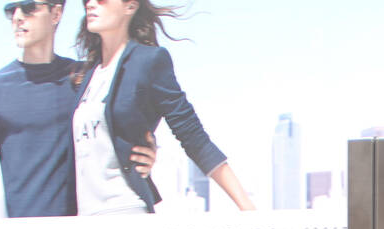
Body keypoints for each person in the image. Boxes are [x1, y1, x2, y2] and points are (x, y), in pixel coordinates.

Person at [0, 1, 156, 219]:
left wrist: (147, 146)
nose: (18, 17)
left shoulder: (85, 79)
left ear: (56, 13)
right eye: (11, 10)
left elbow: (126, 123)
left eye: (28, 7)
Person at [72, 0, 255, 215]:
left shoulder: (148, 61)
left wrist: (247, 208)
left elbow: (193, 137)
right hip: (83, 219)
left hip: (124, 210)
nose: (90, 4)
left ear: (130, 6)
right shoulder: (85, 76)